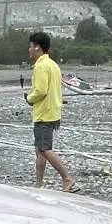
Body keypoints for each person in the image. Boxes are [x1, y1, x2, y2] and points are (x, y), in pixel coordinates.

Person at [24, 31, 76, 192]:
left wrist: (29, 98)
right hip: (53, 111)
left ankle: (67, 178)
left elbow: (40, 91)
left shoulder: (41, 66)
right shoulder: (53, 65)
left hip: (44, 113)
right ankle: (38, 184)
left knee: (45, 149)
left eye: (31, 46)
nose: (29, 49)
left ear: (38, 48)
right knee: (40, 149)